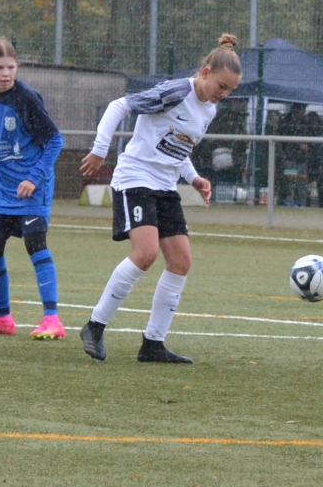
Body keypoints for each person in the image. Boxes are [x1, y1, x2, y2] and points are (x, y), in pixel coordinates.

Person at [77, 34, 241, 364]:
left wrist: (194, 178)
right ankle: (94, 327)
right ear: (205, 73)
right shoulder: (175, 92)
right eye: (221, 86)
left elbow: (178, 147)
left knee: (181, 261)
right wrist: (99, 149)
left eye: (230, 91)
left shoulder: (209, 109)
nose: (223, 94)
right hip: (135, 179)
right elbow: (119, 106)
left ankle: (153, 343)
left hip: (165, 187)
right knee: (146, 253)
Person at [0, 39, 66, 340]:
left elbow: (55, 141)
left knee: (35, 243)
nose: (6, 73)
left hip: (33, 185)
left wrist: (33, 178)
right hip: (5, 187)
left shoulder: (27, 98)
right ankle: (3, 319)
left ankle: (52, 319)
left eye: (11, 67)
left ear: (17, 67)